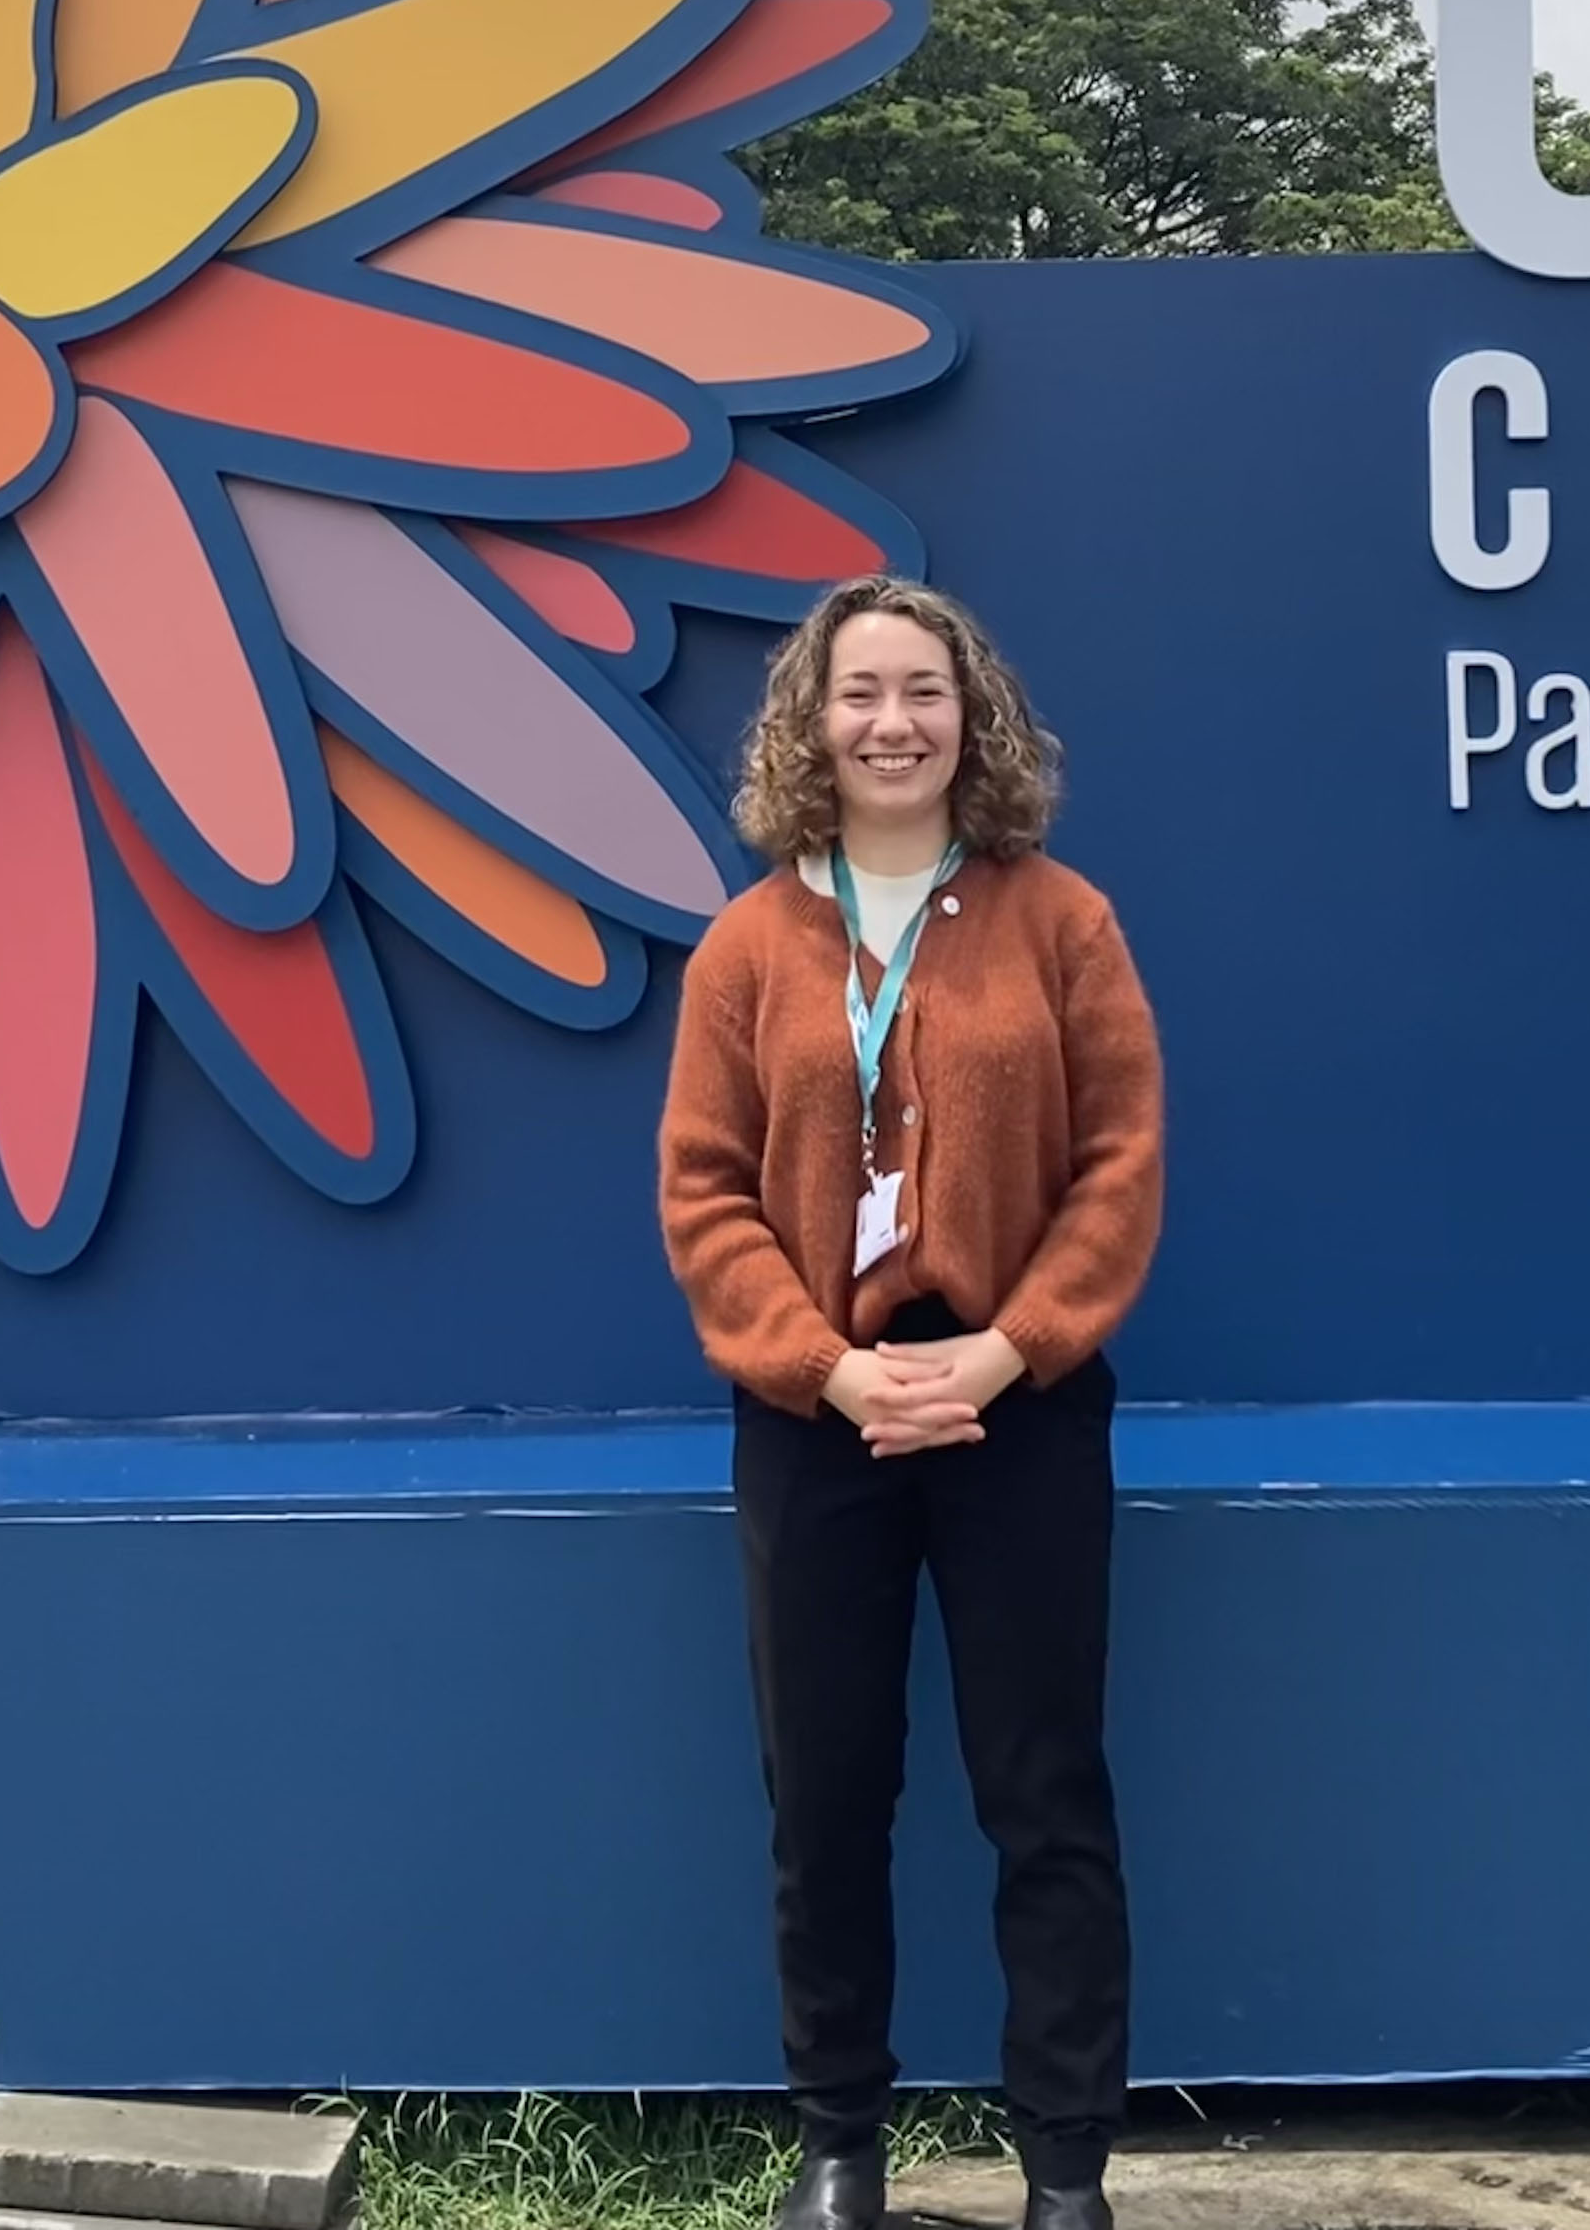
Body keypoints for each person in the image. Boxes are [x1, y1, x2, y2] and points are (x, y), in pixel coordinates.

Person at [660, 576, 1162, 2230]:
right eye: (860, 693)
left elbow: (1119, 1171)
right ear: (813, 723)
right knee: (826, 1793)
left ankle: (1068, 2168)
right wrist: (832, 1367)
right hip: (819, 1429)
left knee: (1045, 1792)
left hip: (1021, 1415)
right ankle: (839, 2143)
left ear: (974, 719)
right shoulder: (746, 947)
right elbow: (706, 1198)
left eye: (924, 693)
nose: (893, 722)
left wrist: (1011, 1351)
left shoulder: (1062, 921)